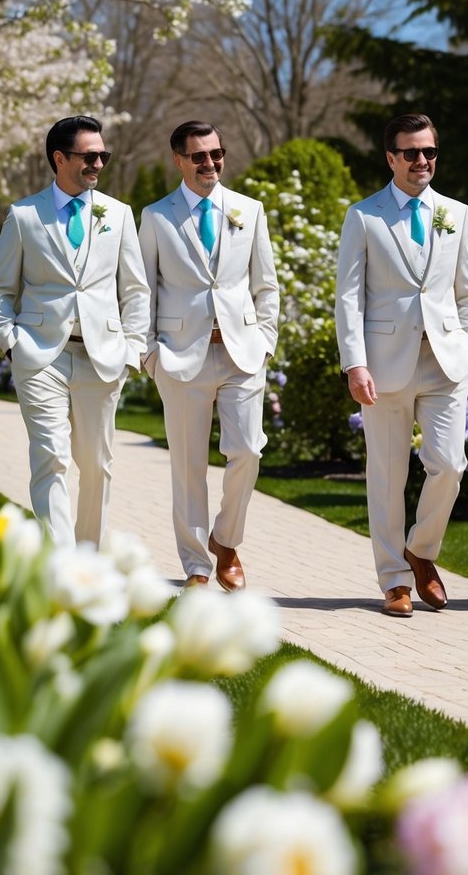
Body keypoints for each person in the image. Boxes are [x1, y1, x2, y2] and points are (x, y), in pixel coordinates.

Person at [335, 113, 468, 618]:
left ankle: (421, 550)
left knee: (450, 465)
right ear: (391, 158)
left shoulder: (456, 213)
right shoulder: (364, 216)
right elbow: (348, 298)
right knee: (387, 474)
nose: (423, 161)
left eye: (430, 152)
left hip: (444, 364)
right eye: (412, 152)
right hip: (383, 366)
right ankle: (393, 579)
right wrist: (355, 364)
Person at [0, 115, 149, 546]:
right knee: (51, 458)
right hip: (40, 356)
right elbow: (0, 290)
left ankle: (89, 560)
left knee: (97, 465)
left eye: (103, 155)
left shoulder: (118, 213)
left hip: (103, 357)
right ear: (60, 158)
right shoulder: (23, 216)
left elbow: (135, 289)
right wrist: (10, 345)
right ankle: (59, 568)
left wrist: (131, 350)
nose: (98, 163)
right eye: (89, 156)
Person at [138, 120, 279, 591]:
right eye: (199, 156)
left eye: (216, 154)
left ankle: (226, 540)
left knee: (248, 452)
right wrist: (149, 353)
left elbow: (266, 284)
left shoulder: (249, 209)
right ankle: (197, 565)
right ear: (179, 160)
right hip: (179, 357)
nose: (210, 164)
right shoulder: (156, 217)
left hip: (242, 354)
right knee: (188, 467)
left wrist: (265, 342)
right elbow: (142, 291)